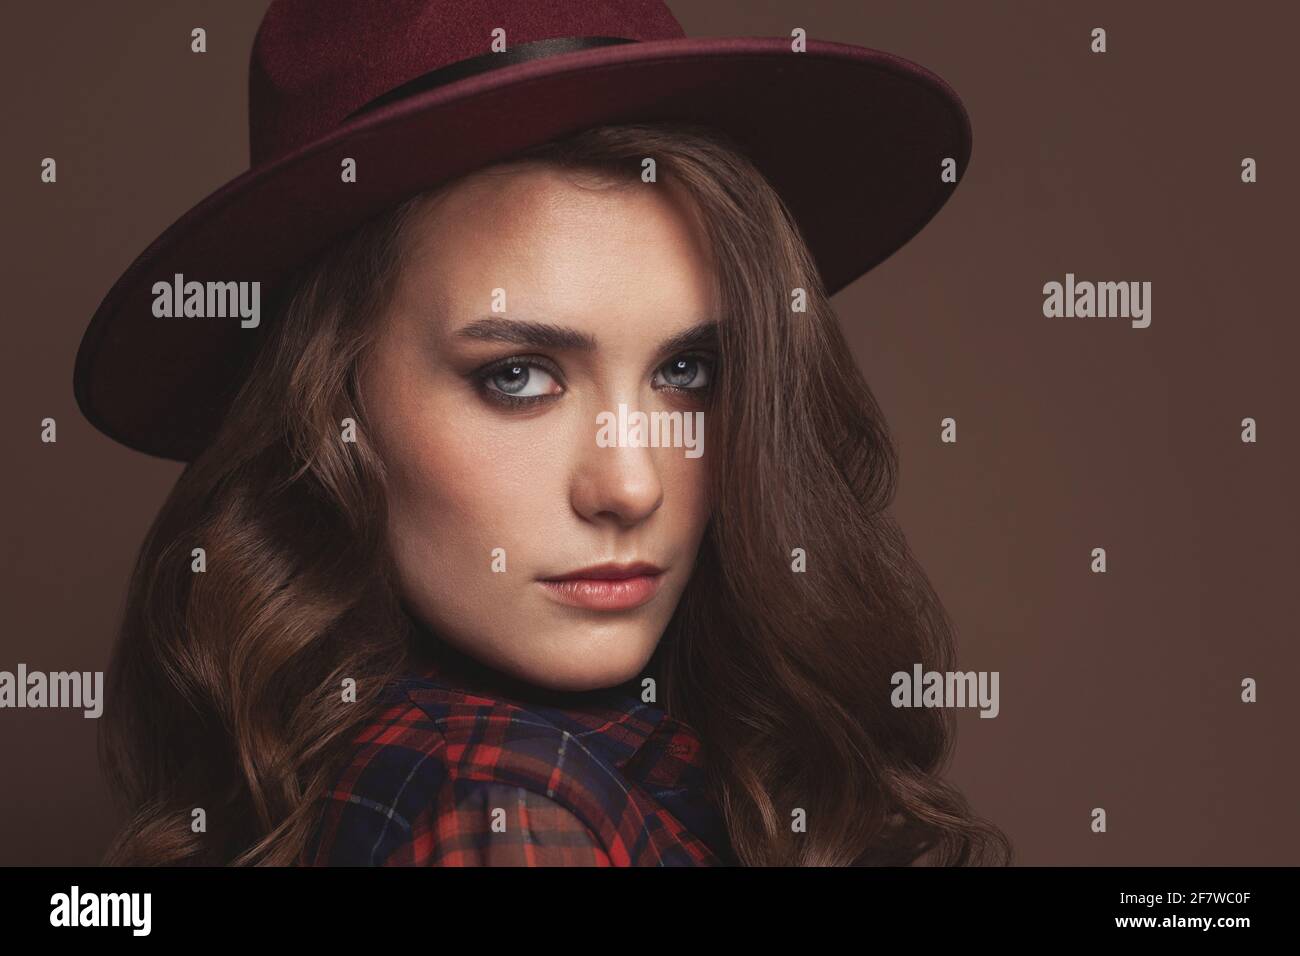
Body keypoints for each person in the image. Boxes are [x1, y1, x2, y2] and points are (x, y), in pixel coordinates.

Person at [78, 0, 1011, 866]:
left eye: (688, 373)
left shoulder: (628, 761)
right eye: (517, 377)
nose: (630, 485)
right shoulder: (506, 818)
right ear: (332, 406)